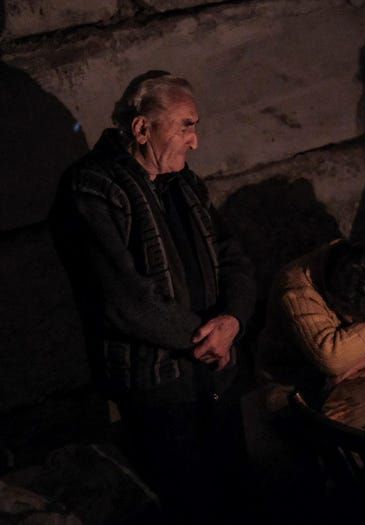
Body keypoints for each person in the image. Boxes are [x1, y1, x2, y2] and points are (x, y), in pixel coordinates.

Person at [51, 71, 256, 524]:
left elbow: (234, 259)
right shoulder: (90, 188)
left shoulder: (184, 183)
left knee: (237, 497)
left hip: (215, 376)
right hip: (158, 391)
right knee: (188, 506)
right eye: (186, 126)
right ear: (142, 128)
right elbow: (123, 300)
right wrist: (208, 340)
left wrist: (233, 321)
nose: (195, 141)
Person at [257, 239, 365, 414]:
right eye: (362, 320)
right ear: (336, 303)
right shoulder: (296, 290)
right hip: (295, 392)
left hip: (352, 379)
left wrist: (360, 362)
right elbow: (333, 359)